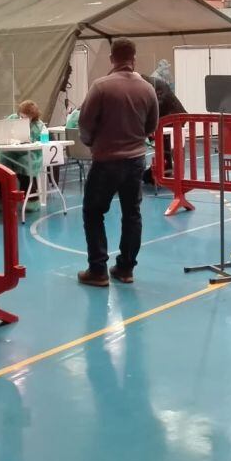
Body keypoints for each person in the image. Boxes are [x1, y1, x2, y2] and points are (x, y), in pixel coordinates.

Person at [77, 38, 158, 287]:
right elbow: (152, 126)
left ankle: (98, 270)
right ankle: (125, 269)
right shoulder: (147, 88)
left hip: (106, 161)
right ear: (134, 58)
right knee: (131, 214)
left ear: (111, 58)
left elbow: (85, 124)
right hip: (135, 161)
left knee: (93, 213)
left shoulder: (100, 87)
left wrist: (92, 143)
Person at [0, 100, 45, 214]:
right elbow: (3, 130)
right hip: (12, 151)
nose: (22, 119)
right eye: (21, 116)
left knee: (25, 163)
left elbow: (40, 143)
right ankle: (0, 201)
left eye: (26, 118)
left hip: (31, 154)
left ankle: (31, 200)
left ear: (33, 116)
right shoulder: (12, 118)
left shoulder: (38, 125)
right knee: (3, 163)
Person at [142, 75, 186, 184]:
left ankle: (162, 172)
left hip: (173, 118)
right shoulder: (152, 84)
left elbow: (156, 106)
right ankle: (163, 171)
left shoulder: (156, 86)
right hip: (170, 118)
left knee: (166, 145)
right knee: (165, 146)